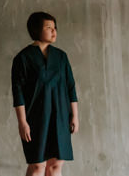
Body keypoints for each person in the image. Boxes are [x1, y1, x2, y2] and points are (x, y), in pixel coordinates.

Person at [11, 11, 79, 176]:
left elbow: (71, 87)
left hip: (61, 117)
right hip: (35, 118)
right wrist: (22, 122)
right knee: (37, 166)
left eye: (55, 28)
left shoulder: (61, 57)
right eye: (49, 27)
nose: (54, 31)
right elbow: (18, 92)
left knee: (56, 165)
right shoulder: (23, 58)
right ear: (36, 30)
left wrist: (75, 116)